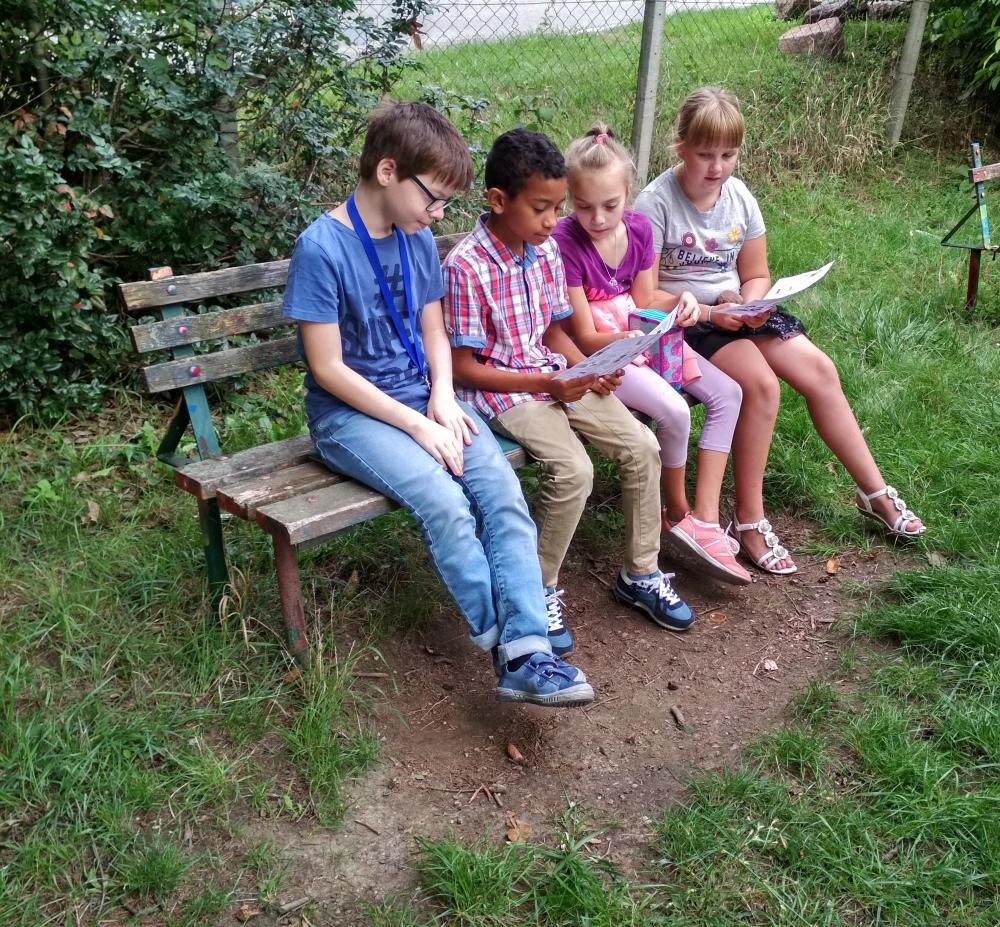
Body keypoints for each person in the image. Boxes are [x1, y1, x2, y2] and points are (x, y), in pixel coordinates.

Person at [281, 101, 593, 708]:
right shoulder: (321, 249)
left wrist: (444, 398)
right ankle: (511, 646)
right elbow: (327, 368)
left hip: (426, 399)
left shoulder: (417, 238)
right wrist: (417, 424)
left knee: (502, 493)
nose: (440, 213)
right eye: (435, 197)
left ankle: (530, 649)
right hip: (349, 417)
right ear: (388, 171)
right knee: (445, 504)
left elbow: (433, 331)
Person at [634, 86, 925, 575]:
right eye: (705, 155)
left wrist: (750, 301)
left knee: (820, 370)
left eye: (728, 155)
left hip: (738, 312)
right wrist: (713, 311)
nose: (718, 167)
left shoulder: (739, 197)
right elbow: (644, 297)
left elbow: (756, 272)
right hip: (689, 323)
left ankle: (874, 492)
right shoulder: (655, 204)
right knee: (762, 385)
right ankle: (749, 520)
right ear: (680, 146)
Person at [443, 126, 696, 646]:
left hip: (554, 374)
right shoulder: (466, 267)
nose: (552, 221)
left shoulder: (545, 251)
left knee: (642, 446)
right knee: (574, 470)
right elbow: (462, 369)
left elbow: (555, 332)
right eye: (541, 209)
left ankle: (640, 573)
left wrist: (590, 368)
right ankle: (535, 591)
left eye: (557, 209)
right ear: (498, 200)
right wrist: (550, 380)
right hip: (504, 392)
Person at [553, 124, 750, 585]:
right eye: (583, 206)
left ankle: (702, 517)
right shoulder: (565, 241)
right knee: (675, 410)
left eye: (610, 206)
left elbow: (645, 298)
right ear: (570, 200)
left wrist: (682, 301)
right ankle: (677, 513)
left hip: (640, 334)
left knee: (729, 394)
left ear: (628, 194)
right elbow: (584, 336)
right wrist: (636, 338)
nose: (597, 218)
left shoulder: (639, 228)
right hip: (605, 352)